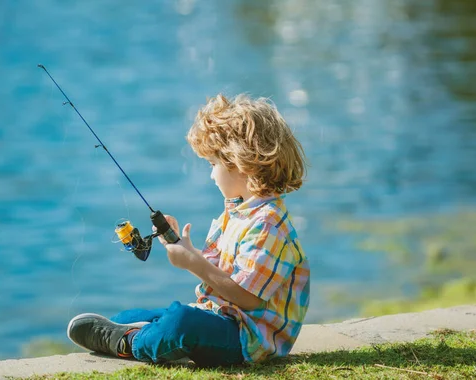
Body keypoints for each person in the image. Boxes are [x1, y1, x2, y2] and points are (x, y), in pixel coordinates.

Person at [67, 94, 310, 366]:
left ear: (241, 162)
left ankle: (132, 343)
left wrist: (192, 263)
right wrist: (184, 248)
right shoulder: (237, 212)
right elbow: (221, 276)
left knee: (182, 322)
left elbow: (249, 299)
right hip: (221, 318)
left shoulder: (268, 224)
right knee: (129, 316)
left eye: (213, 165)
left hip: (248, 341)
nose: (211, 175)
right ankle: (139, 334)